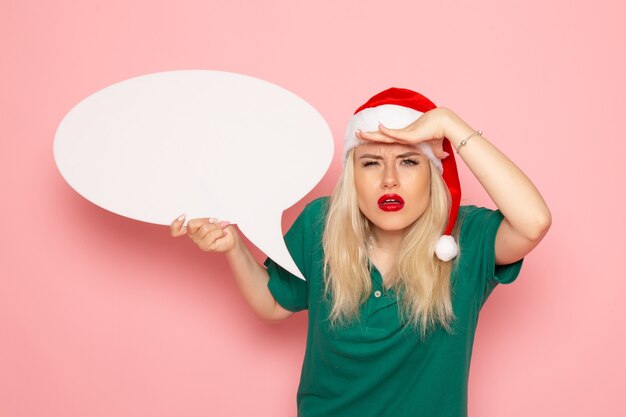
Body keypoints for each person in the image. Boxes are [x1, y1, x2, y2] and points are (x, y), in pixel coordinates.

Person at [170, 88, 551, 417]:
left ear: (434, 172)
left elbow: (533, 221)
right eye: (371, 162)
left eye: (408, 161)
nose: (389, 179)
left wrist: (450, 125)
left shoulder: (467, 237)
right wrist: (234, 246)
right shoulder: (321, 223)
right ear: (353, 174)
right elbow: (272, 304)